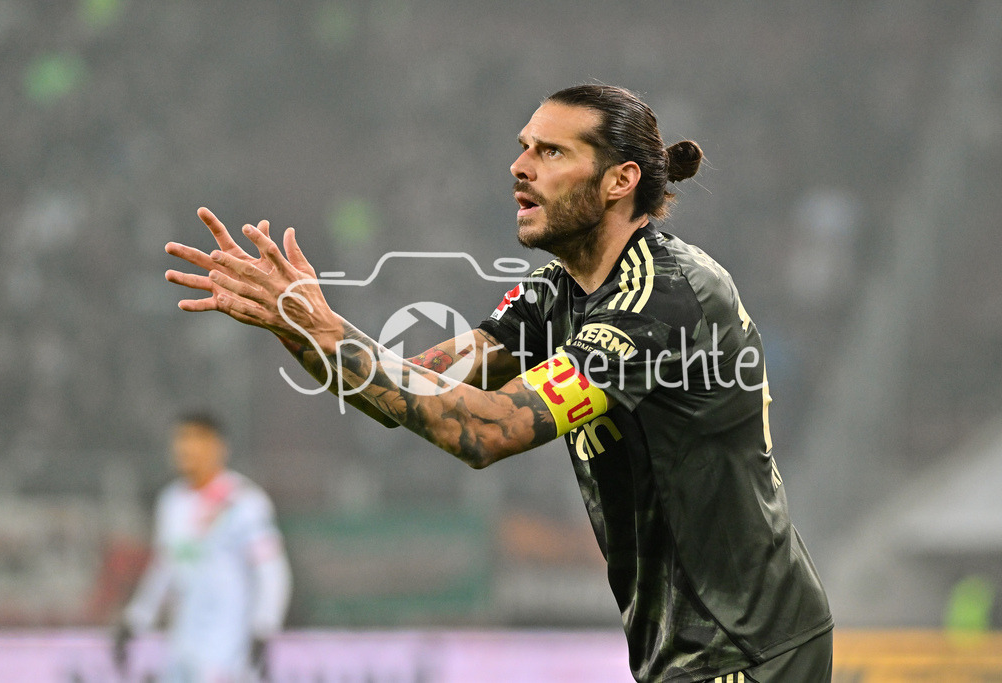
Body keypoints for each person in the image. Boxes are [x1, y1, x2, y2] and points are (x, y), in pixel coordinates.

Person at [164, 84, 833, 682]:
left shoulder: (659, 299)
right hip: (688, 650)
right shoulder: (559, 292)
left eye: (550, 152)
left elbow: (483, 428)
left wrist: (331, 331)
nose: (519, 166)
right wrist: (304, 328)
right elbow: (414, 391)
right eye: (523, 148)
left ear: (619, 179)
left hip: (750, 648)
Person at [113, 412, 292, 682]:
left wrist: (265, 626)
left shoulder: (243, 501)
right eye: (180, 439)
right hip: (183, 648)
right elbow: (165, 567)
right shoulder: (171, 502)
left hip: (230, 650)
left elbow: (272, 570)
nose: (183, 447)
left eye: (195, 438)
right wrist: (137, 617)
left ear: (218, 447)